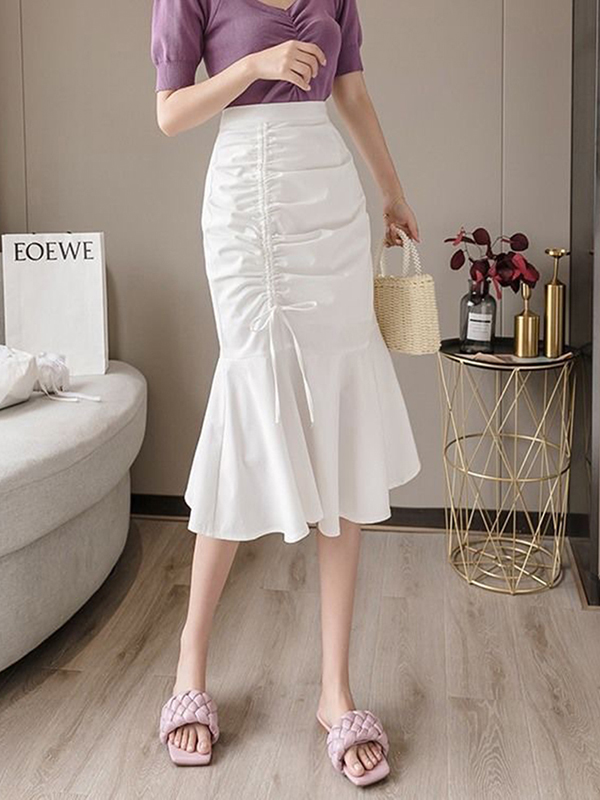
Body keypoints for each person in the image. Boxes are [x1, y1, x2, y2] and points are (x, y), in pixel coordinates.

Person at [151, 0, 422, 786]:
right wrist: (252, 67)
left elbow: (352, 91)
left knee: (341, 418)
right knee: (246, 407)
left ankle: (336, 690)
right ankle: (190, 661)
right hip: (246, 201)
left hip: (326, 197)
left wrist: (391, 191)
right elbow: (170, 113)